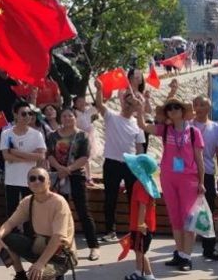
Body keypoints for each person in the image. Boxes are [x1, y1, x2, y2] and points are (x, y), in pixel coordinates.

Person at [136, 96, 205, 271]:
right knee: (175, 217)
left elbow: (199, 158)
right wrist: (139, 109)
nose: (173, 110)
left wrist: (202, 182)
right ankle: (180, 254)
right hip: (168, 178)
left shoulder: (193, 132)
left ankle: (187, 258)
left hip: (189, 179)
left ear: (183, 111)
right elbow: (143, 126)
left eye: (176, 107)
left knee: (188, 218)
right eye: (170, 108)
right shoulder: (165, 130)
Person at [0, 167, 77, 280]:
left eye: (41, 178)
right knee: (5, 238)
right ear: (28, 184)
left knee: (35, 275)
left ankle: (53, 272)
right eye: (32, 179)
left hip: (60, 255)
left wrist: (40, 264)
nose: (37, 181)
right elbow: (10, 223)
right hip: (39, 248)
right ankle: (20, 275)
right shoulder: (28, 201)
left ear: (49, 182)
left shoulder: (58, 202)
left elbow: (58, 238)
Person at [93, 79, 146, 242]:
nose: (130, 104)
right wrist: (100, 89)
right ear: (123, 101)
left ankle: (134, 230)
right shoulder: (112, 117)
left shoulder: (138, 125)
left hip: (131, 165)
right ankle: (110, 231)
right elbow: (100, 104)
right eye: (128, 100)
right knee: (110, 198)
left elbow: (140, 149)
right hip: (111, 163)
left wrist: (141, 170)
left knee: (133, 199)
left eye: (134, 102)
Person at [46, 108, 99, 261]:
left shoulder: (82, 136)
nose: (67, 118)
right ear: (60, 118)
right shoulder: (52, 136)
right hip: (58, 177)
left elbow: (84, 157)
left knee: (83, 211)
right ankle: (63, 247)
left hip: (76, 176)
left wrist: (68, 169)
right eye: (64, 115)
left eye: (70, 115)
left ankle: (93, 246)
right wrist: (59, 168)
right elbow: (49, 155)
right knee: (60, 213)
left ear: (75, 118)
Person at [191, 95, 218, 261]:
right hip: (187, 175)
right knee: (186, 212)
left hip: (208, 175)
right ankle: (183, 251)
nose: (197, 107)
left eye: (202, 105)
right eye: (195, 104)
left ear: (208, 108)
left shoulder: (216, 128)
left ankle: (208, 249)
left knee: (207, 212)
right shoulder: (186, 125)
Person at [0, 101, 47, 218]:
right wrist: (29, 157)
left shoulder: (37, 134)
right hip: (12, 179)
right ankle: (12, 235)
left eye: (30, 114)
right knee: (12, 211)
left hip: (31, 179)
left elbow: (41, 156)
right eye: (24, 114)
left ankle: (29, 235)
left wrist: (16, 153)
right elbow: (6, 156)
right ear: (15, 115)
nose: (28, 117)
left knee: (30, 211)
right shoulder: (6, 134)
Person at [123, 153, 160, 280]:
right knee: (137, 250)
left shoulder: (141, 185)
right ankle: (139, 273)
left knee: (140, 252)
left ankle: (149, 275)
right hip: (142, 225)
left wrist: (140, 225)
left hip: (142, 226)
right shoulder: (146, 182)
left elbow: (143, 206)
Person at [73, 95, 98, 185]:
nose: (82, 103)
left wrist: (90, 103)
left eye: (83, 101)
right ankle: (86, 176)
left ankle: (88, 177)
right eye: (79, 102)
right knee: (82, 157)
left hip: (89, 137)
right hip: (79, 137)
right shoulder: (74, 113)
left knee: (87, 157)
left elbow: (98, 106)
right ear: (75, 104)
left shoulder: (88, 111)